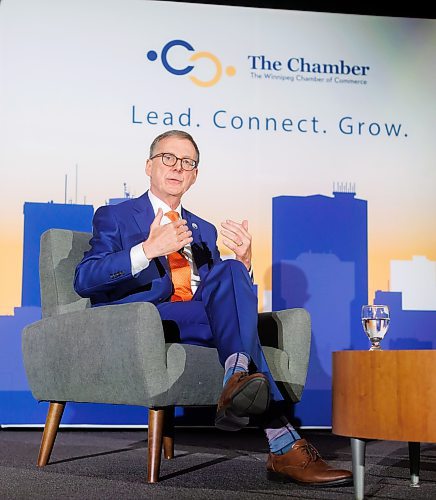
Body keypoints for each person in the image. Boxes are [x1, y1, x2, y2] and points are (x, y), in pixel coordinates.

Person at [74, 130, 352, 486]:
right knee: (237, 324)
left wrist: (244, 263)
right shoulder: (116, 216)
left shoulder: (202, 228)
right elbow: (84, 279)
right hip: (145, 317)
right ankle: (281, 441)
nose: (177, 168)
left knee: (232, 271)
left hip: (197, 317)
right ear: (150, 165)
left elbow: (218, 292)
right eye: (168, 158)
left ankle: (237, 379)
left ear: (195, 175)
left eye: (187, 163)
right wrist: (147, 250)